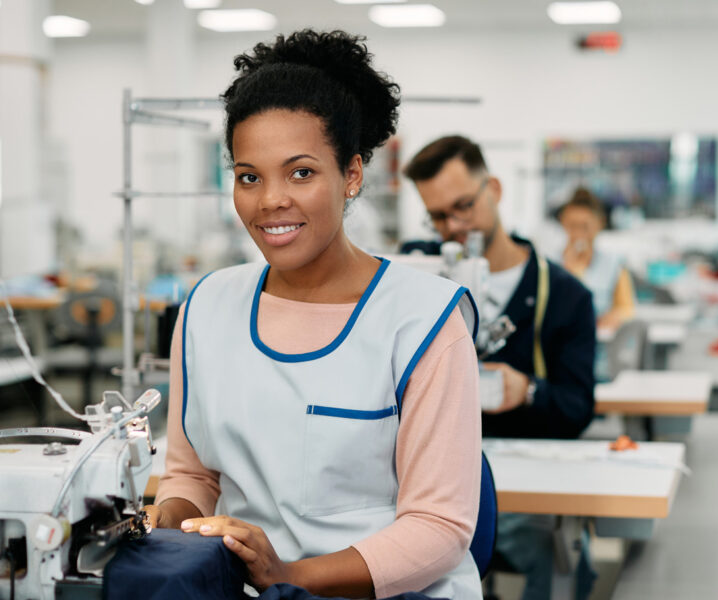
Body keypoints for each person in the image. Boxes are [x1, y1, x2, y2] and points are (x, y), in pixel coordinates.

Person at [146, 31, 483, 599]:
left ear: (351, 175)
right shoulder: (207, 306)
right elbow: (193, 473)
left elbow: (439, 528)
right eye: (249, 176)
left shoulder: (423, 321)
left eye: (300, 172)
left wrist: (289, 577)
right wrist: (174, 529)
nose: (270, 199)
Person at [402, 135, 596, 599]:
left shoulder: (566, 297)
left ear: (495, 188)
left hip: (523, 481)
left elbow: (578, 407)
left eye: (463, 206)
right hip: (430, 476)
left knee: (545, 544)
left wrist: (527, 389)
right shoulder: (414, 274)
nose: (454, 225)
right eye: (439, 216)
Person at [557, 187, 635, 330]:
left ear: (600, 223)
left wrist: (614, 317)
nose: (578, 233)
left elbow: (627, 309)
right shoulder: (552, 265)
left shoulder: (614, 264)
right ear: (563, 223)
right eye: (572, 226)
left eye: (585, 226)